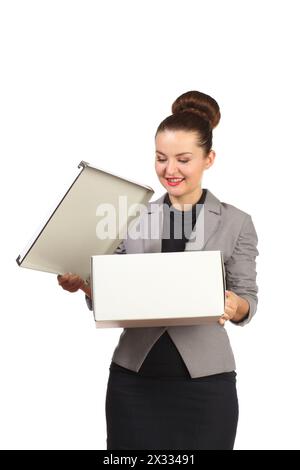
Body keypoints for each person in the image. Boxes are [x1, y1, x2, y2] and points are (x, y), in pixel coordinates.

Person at [57, 90, 259, 450]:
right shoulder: (130, 214)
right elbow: (113, 287)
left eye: (183, 159)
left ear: (208, 158)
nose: (170, 170)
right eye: (161, 158)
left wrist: (234, 305)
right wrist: (83, 285)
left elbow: (247, 297)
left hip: (206, 384)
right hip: (133, 382)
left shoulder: (236, 222)